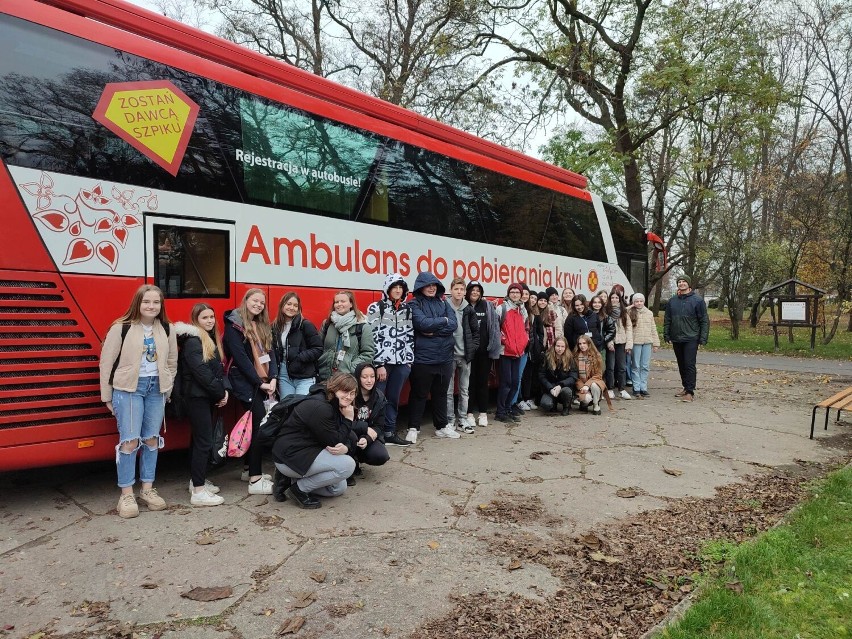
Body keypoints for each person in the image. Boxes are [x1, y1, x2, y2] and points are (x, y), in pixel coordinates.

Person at [99, 284, 177, 519]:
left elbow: (172, 362)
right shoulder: (121, 328)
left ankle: (147, 489)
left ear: (161, 305)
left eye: (156, 302)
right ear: (138, 303)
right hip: (129, 389)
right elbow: (106, 363)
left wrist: (167, 388)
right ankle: (126, 493)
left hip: (156, 389)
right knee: (130, 442)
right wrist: (107, 396)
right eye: (146, 302)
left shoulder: (167, 328)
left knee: (152, 439)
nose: (151, 306)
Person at [271, 372, 358, 509]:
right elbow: (335, 441)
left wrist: (346, 446)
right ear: (334, 388)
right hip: (290, 455)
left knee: (338, 488)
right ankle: (298, 489)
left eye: (352, 393)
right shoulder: (322, 407)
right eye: (345, 391)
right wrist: (348, 419)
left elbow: (348, 436)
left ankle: (291, 481)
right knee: (347, 465)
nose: (349, 397)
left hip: (307, 450)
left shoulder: (333, 401)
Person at [223, 288, 278, 495]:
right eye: (255, 301)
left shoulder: (262, 325)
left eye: (262, 303)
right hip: (247, 383)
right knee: (258, 427)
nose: (258, 305)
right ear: (245, 300)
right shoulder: (234, 326)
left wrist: (272, 378)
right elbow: (240, 359)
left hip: (263, 382)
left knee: (258, 424)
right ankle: (255, 480)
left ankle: (248, 470)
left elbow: (272, 354)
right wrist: (259, 383)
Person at [176, 304, 230, 506]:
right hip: (197, 398)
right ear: (195, 320)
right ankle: (198, 491)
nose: (209, 320)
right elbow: (202, 372)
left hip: (204, 397)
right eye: (204, 317)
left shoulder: (206, 339)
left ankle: (195, 482)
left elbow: (215, 370)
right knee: (204, 442)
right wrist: (220, 392)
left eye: (212, 317)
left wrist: (220, 391)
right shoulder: (193, 341)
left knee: (198, 439)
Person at [406, 272, 459, 442]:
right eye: (428, 285)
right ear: (420, 287)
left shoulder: (443, 303)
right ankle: (413, 428)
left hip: (444, 358)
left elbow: (453, 324)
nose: (431, 288)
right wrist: (441, 323)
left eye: (434, 285)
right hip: (423, 359)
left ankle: (442, 426)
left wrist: (433, 330)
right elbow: (421, 324)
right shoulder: (413, 304)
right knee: (419, 394)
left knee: (441, 394)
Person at [367, 273, 414, 446]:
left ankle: (389, 432)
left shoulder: (407, 309)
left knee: (394, 399)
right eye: (394, 287)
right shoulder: (375, 308)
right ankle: (374, 435)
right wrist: (378, 364)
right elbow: (371, 337)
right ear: (387, 289)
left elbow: (409, 336)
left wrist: (408, 362)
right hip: (383, 364)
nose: (398, 290)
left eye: (401, 287)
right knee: (377, 399)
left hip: (401, 363)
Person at [664, 275, 709, 402]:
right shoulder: (672, 301)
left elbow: (704, 320)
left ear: (688, 285)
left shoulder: (697, 300)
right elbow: (668, 319)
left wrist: (703, 338)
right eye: (679, 282)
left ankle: (690, 391)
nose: (681, 283)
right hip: (676, 337)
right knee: (681, 364)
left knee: (689, 364)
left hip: (691, 337)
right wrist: (666, 334)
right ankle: (685, 387)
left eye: (684, 281)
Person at [446, 277, 480, 434]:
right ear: (451, 290)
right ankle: (450, 420)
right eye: (456, 289)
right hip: (449, 355)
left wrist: (472, 349)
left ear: (464, 292)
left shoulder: (469, 309)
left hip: (465, 356)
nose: (459, 292)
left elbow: (475, 333)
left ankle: (462, 420)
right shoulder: (444, 306)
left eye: (461, 289)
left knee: (464, 390)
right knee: (448, 390)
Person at [465, 280, 501, 428]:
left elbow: (494, 327)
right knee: (469, 384)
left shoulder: (487, 306)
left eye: (478, 290)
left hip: (484, 352)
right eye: (472, 290)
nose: (475, 292)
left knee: (482, 383)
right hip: (467, 353)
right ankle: (469, 414)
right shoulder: (464, 305)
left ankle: (483, 414)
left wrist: (493, 347)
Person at [272, 292, 323, 396]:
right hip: (284, 375)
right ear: (282, 305)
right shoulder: (275, 327)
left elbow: (318, 348)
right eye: (289, 304)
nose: (292, 308)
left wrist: (300, 358)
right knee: (287, 408)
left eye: (295, 305)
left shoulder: (305, 325)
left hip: (304, 376)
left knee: (301, 408)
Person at [317, 291, 376, 380]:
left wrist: (351, 368)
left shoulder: (363, 326)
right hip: (326, 377)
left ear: (351, 304)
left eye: (343, 301)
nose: (339, 304)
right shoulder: (327, 324)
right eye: (336, 302)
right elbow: (318, 348)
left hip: (349, 379)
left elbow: (368, 354)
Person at [495, 283, 529, 423]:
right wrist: (504, 341)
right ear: (508, 293)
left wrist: (523, 342)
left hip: (518, 352)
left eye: (517, 292)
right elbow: (495, 329)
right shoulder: (501, 308)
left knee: (515, 382)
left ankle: (508, 408)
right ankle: (500, 411)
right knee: (506, 382)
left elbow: (526, 328)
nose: (515, 294)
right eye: (512, 292)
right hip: (505, 352)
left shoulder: (523, 310)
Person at [350, 363, 391, 477]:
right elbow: (342, 422)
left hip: (366, 435)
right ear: (358, 377)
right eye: (364, 377)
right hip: (348, 433)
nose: (369, 380)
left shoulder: (379, 397)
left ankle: (358, 458)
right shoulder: (349, 394)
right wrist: (364, 428)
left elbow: (379, 426)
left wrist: (367, 438)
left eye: (372, 376)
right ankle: (350, 464)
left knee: (380, 455)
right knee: (350, 438)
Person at [628, 293, 659, 398]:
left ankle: (643, 387)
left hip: (647, 342)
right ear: (633, 302)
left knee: (645, 366)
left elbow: (653, 328)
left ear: (644, 302)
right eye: (636, 301)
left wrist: (656, 343)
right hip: (636, 342)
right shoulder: (630, 312)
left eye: (641, 301)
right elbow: (622, 314)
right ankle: (636, 388)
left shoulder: (649, 313)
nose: (639, 303)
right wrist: (630, 307)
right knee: (636, 365)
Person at [538, 337, 578, 415]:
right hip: (550, 388)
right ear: (554, 346)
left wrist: (560, 385)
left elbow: (573, 377)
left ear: (565, 347)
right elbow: (541, 375)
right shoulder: (546, 357)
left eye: (562, 347)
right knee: (546, 404)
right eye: (558, 346)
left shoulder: (570, 358)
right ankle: (553, 403)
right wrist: (550, 388)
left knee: (567, 391)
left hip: (563, 387)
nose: (560, 349)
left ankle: (566, 407)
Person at [604, 291, 633, 400]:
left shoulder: (624, 312)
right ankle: (610, 388)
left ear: (619, 299)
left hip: (621, 342)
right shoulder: (606, 312)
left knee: (622, 367)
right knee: (610, 367)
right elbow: (605, 329)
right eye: (612, 298)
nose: (614, 300)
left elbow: (629, 328)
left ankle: (621, 389)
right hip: (610, 343)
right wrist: (609, 342)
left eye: (617, 298)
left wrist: (629, 344)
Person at [573, 335, 606, 415]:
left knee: (594, 385)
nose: (582, 346)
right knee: (586, 399)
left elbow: (598, 375)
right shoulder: (574, 357)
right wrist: (582, 387)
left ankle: (596, 404)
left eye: (584, 343)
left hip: (594, 381)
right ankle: (584, 403)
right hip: (580, 384)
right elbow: (574, 376)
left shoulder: (597, 356)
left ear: (589, 344)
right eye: (580, 344)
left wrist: (587, 385)